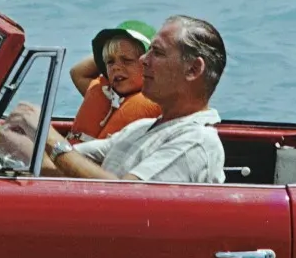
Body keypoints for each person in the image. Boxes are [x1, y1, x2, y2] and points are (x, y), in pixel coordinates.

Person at [41, 15, 227, 184]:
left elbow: (126, 197)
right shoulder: (140, 128)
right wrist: (24, 140)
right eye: (110, 62)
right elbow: (63, 160)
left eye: (157, 52)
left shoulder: (196, 143)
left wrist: (48, 137)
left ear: (193, 70)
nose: (143, 60)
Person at [64, 20, 161, 142]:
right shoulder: (106, 92)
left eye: (127, 60)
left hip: (85, 160)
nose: (116, 67)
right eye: (110, 62)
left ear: (149, 64)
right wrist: (107, 52)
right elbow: (76, 72)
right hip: (72, 156)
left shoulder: (161, 103)